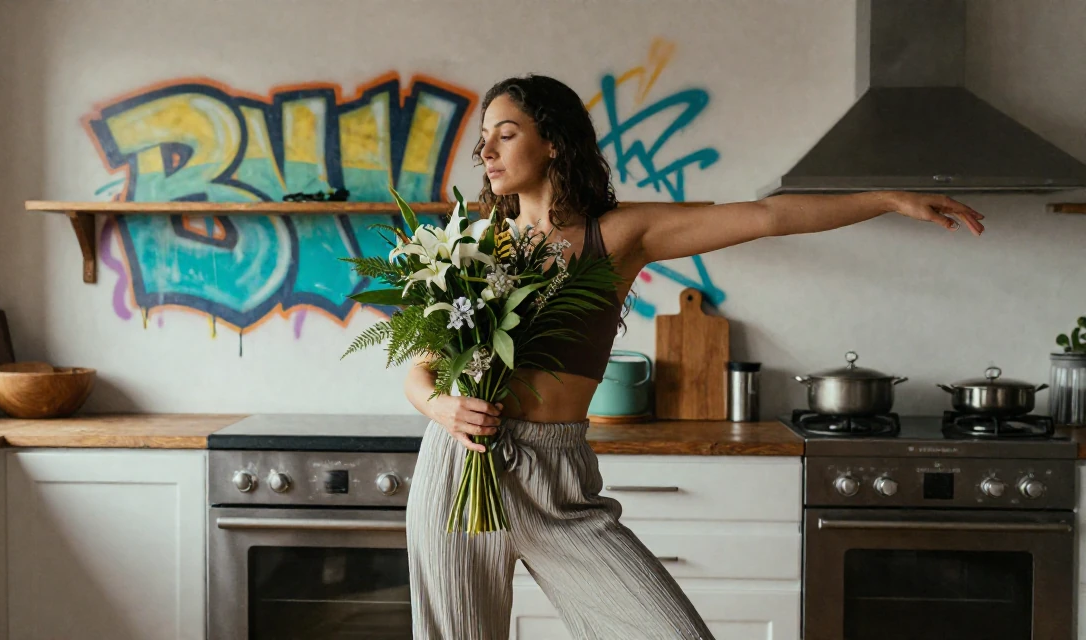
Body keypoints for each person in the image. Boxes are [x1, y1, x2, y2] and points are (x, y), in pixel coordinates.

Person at [403, 74, 985, 640]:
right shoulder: (472, 246)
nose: (485, 149)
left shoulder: (619, 234)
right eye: (484, 137)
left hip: (556, 476)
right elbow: (420, 372)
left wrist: (887, 199)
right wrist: (443, 409)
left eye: (505, 133)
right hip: (460, 466)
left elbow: (766, 217)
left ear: (553, 140)